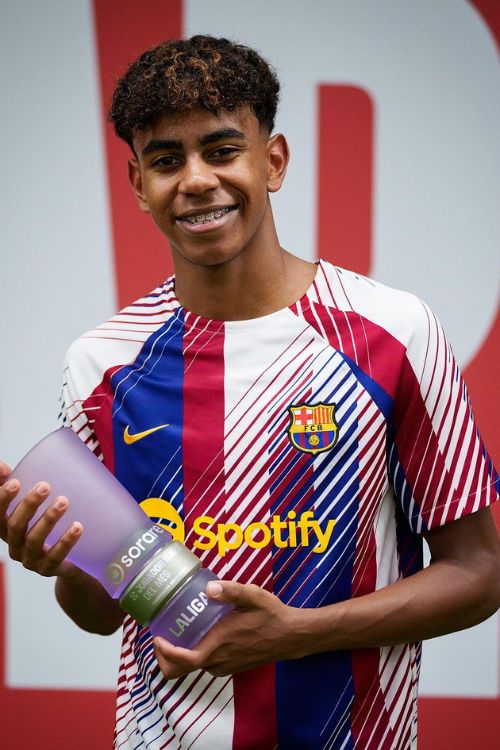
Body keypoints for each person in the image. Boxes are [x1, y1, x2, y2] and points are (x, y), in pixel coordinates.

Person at [0, 35, 499, 750]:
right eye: (168, 160)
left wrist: (296, 636)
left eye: (222, 150)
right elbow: (101, 611)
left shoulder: (393, 332)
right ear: (138, 184)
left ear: (274, 161)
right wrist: (60, 559)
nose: (197, 180)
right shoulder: (102, 363)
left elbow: (479, 573)